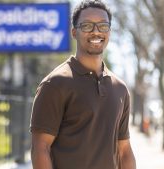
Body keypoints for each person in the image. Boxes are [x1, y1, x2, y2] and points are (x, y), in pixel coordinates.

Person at [30, 0, 136, 169]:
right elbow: (40, 148)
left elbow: (124, 150)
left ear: (109, 31)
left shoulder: (120, 89)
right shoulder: (55, 84)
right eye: (87, 26)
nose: (96, 32)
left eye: (102, 26)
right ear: (74, 32)